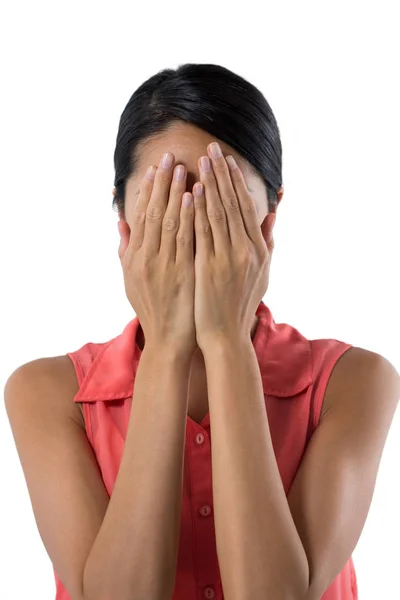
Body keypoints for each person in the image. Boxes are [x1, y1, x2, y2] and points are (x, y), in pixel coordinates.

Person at [4, 63, 399, 600]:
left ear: (268, 221)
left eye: (222, 204)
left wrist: (227, 342)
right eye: (167, 201)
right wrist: (166, 347)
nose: (192, 228)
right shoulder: (47, 392)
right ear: (123, 224)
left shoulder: (354, 381)